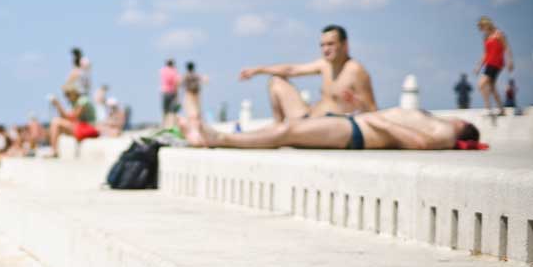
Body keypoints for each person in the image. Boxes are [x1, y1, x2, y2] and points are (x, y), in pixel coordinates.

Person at [239, 25, 377, 121]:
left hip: (331, 126)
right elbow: (291, 70)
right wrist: (258, 70)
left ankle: (283, 133)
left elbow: (373, 110)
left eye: (330, 44)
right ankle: (278, 126)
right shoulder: (324, 64)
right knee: (276, 81)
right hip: (308, 117)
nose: (325, 49)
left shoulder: (355, 71)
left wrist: (356, 102)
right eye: (322, 45)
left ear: (345, 45)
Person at [181, 107, 481, 151]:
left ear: (465, 127)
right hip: (357, 123)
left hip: (359, 131)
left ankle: (220, 138)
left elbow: (420, 143)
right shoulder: (440, 122)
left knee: (287, 131)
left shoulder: (446, 133)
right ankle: (219, 137)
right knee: (287, 127)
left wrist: (378, 120)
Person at [474, 16, 513, 117]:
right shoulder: (486, 37)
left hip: (497, 63)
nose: (481, 30)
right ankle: (501, 110)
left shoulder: (499, 34)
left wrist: (510, 61)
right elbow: (485, 54)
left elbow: (507, 48)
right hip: (489, 63)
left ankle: (488, 109)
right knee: (492, 88)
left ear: (487, 25)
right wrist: (479, 66)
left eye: (482, 27)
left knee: (481, 84)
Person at [47, 83, 99, 155]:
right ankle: (54, 150)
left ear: (73, 92)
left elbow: (72, 117)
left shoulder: (83, 100)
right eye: (65, 95)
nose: (66, 97)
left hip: (88, 129)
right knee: (56, 123)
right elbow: (68, 118)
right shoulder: (76, 102)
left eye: (68, 94)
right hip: (82, 128)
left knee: (56, 122)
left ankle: (54, 151)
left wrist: (58, 105)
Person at [160, 59, 180, 126]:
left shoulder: (163, 70)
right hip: (172, 92)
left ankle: (163, 124)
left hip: (164, 91)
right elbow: (176, 82)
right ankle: (173, 125)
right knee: (173, 111)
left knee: (165, 110)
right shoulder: (174, 71)